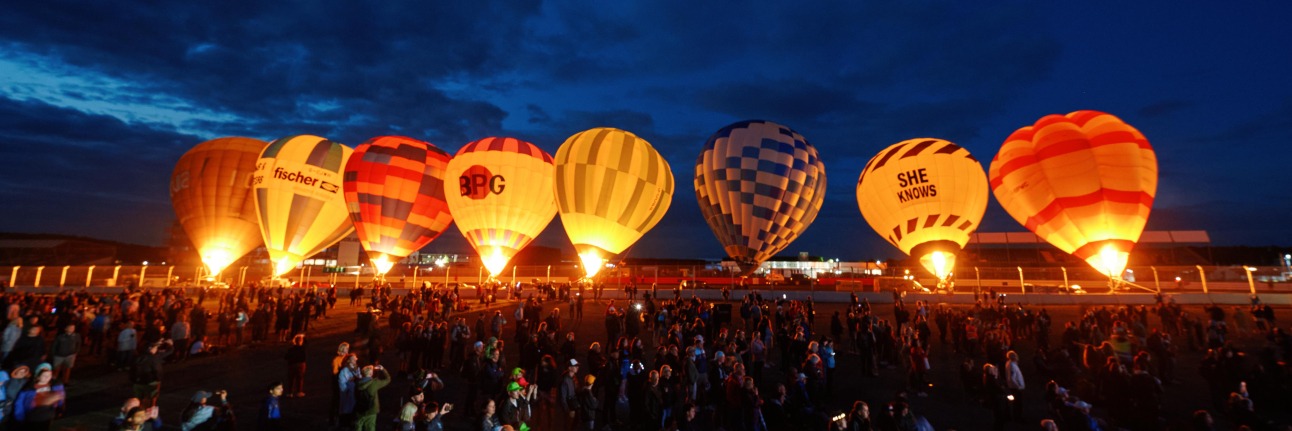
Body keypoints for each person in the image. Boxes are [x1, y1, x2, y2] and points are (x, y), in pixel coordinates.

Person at [13, 365, 65, 430]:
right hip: (33, 416)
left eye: (49, 375)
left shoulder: (55, 386)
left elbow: (60, 398)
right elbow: (19, 403)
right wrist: (19, 416)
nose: (47, 377)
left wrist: (60, 409)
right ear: (38, 377)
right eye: (44, 376)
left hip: (47, 415)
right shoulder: (28, 388)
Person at [131, 340, 173, 408]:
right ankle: (149, 413)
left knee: (138, 399)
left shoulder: (137, 357)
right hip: (151, 382)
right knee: (151, 399)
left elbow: (132, 369)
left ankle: (137, 412)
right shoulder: (154, 358)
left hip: (137, 382)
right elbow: (157, 370)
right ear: (150, 348)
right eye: (155, 348)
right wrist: (169, 344)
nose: (156, 349)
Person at [355, 364, 391, 431]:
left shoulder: (358, 383)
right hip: (371, 409)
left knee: (358, 427)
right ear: (371, 374)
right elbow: (388, 379)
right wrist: (382, 369)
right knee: (370, 427)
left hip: (359, 409)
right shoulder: (374, 383)